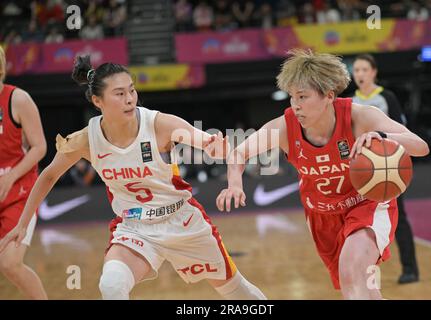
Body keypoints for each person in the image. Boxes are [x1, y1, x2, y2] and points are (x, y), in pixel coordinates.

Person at [0, 55, 267, 300]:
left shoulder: (160, 124)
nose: (130, 98)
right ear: (97, 101)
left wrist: (213, 146)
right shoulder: (85, 140)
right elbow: (48, 176)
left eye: (132, 90)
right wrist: (23, 224)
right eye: (119, 93)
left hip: (181, 221)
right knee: (112, 285)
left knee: (237, 293)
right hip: (134, 227)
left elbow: (204, 142)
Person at [217, 49, 429, 299]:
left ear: (328, 96)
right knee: (365, 286)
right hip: (321, 215)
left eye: (303, 96)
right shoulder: (285, 128)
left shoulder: (360, 117)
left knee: (352, 272)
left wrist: (382, 137)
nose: (295, 105)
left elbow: (420, 146)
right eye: (292, 97)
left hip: (366, 205)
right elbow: (238, 154)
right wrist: (235, 185)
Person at [352, 53, 420, 284]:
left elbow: (404, 130)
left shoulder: (387, 97)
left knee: (399, 218)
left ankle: (410, 269)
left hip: (388, 167)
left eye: (364, 69)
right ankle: (361, 273)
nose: (360, 74)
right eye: (356, 70)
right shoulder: (351, 102)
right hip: (362, 169)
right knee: (360, 221)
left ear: (373, 72)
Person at [0, 45, 48, 299]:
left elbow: (40, 147)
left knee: (9, 264)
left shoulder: (17, 99)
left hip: (19, 192)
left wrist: (9, 175)